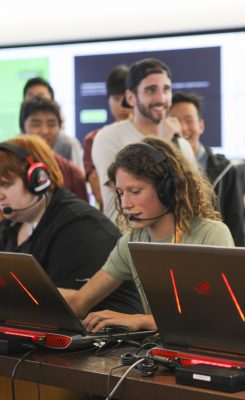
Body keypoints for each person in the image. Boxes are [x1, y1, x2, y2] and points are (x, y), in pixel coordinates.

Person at [61, 137, 234, 332]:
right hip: (158, 353)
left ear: (166, 189)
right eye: (120, 192)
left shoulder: (211, 234)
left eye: (135, 191)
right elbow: (79, 303)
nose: (125, 204)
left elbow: (219, 318)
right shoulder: (131, 242)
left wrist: (142, 320)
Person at [0, 135, 140, 314]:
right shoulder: (12, 225)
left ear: (38, 179)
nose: (0, 195)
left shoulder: (80, 228)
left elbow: (62, 306)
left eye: (6, 184)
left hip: (108, 336)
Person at [92, 58, 196, 225]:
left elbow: (190, 198)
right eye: (151, 90)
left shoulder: (181, 144)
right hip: (124, 241)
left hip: (172, 241)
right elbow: (124, 191)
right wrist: (162, 143)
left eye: (166, 89)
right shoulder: (109, 137)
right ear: (131, 98)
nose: (161, 98)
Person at [170, 92, 245, 246]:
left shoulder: (225, 170)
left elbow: (235, 222)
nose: (183, 128)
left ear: (201, 126)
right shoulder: (160, 170)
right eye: (175, 122)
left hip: (216, 249)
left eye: (189, 120)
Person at [19, 96, 89, 202]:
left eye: (51, 124)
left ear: (60, 128)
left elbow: (84, 215)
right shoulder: (7, 167)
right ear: (23, 127)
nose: (45, 131)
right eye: (36, 124)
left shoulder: (72, 174)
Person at [83, 65, 132, 210]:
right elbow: (100, 194)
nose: (123, 106)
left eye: (127, 99)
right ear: (108, 100)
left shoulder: (149, 134)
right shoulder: (94, 139)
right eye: (117, 98)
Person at [23, 77, 84, 170]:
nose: (44, 131)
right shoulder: (12, 149)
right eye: (36, 124)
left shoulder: (68, 144)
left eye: (41, 96)